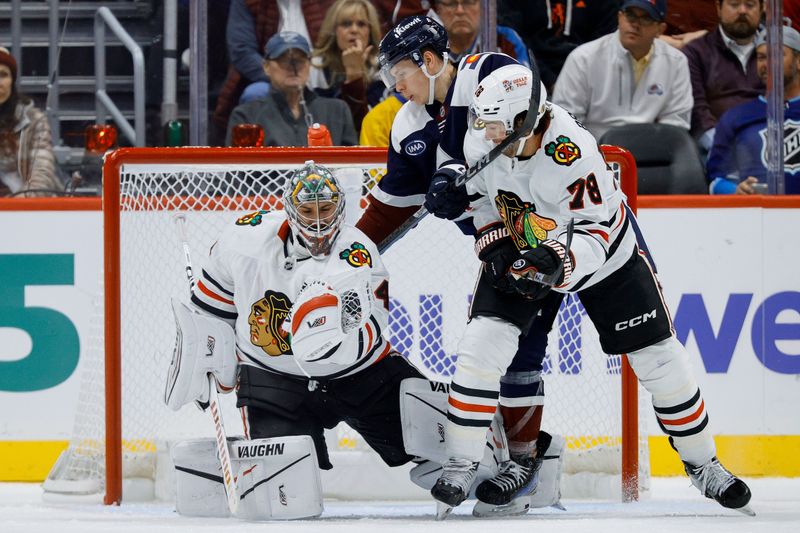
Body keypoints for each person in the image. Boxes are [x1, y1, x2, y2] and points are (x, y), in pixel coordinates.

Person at [424, 58, 754, 516]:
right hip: (526, 246)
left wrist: (558, 258)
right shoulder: (483, 136)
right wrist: (494, 244)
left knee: (661, 360)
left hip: (603, 258)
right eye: (485, 123)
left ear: (526, 120)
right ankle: (461, 463)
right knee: (481, 348)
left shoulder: (573, 150)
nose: (488, 134)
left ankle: (704, 465)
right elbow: (483, 201)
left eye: (499, 125)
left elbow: (597, 230)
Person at [358, 16, 566, 517]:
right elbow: (395, 203)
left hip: (558, 229)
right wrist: (351, 251)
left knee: (646, 347)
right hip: (504, 249)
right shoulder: (408, 123)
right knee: (503, 348)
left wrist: (470, 194)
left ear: (429, 61)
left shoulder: (491, 74)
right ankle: (519, 462)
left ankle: (700, 459)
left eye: (399, 74)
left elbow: (526, 146)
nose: (395, 87)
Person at [551, 0, 693, 140]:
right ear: (619, 17)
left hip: (653, 151)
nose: (635, 24)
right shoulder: (583, 58)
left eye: (646, 18)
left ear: (660, 29)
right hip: (595, 151)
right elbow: (566, 121)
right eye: (630, 15)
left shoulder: (676, 62)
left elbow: (677, 122)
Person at [213, 0, 335, 139]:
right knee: (255, 93)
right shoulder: (248, 2)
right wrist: (283, 77)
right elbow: (242, 51)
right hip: (268, 82)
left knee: (340, 102)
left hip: (324, 81)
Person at [707, 26, 800, 195]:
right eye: (762, 57)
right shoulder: (736, 117)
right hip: (758, 217)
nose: (768, 64)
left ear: (798, 61)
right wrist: (735, 190)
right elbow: (715, 180)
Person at [225, 32, 358, 146]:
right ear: (266, 67)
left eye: (299, 60)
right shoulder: (247, 116)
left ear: (309, 64)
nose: (293, 68)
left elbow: (353, 170)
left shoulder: (337, 111)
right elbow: (235, 172)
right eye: (284, 60)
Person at [682, 0, 765, 153]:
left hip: (773, 146)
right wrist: (722, 146)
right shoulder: (696, 52)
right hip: (719, 147)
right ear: (718, 8)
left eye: (750, 5)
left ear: (762, 8)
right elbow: (698, 111)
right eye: (734, 4)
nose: (742, 11)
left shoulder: (778, 52)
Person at [496, 0, 620, 90]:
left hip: (586, 80)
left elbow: (605, 36)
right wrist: (547, 80)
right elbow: (513, 38)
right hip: (530, 80)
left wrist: (581, 79)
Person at [310, 0, 386, 133]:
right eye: (346, 24)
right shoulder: (317, 67)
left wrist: (355, 75)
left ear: (370, 31)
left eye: (361, 24)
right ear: (334, 30)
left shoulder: (383, 69)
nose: (354, 30)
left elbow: (367, 128)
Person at [0, 47, 61, 197]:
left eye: (3, 75)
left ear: (12, 81)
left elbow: (41, 175)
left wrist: (14, 209)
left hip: (25, 209)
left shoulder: (34, 120)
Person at [433, 0, 531, 67]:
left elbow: (525, 89)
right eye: (451, 3)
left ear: (482, 6)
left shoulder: (505, 40)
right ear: (438, 9)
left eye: (468, 2)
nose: (460, 11)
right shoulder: (426, 44)